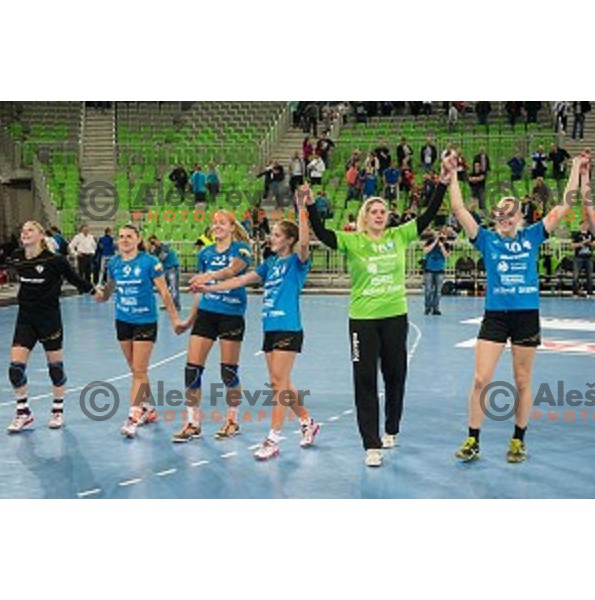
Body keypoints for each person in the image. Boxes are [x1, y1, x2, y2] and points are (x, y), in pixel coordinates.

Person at [305, 156, 455, 467]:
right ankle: (371, 444)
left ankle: (391, 427)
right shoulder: (352, 241)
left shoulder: (398, 236)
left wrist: (441, 182)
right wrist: (308, 206)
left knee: (395, 375)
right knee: (364, 379)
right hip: (362, 320)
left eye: (383, 211)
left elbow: (428, 216)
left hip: (394, 316)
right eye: (373, 211)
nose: (379, 215)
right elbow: (322, 233)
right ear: (364, 216)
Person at [451, 151, 589, 463]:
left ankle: (518, 440)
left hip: (526, 316)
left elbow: (565, 204)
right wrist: (454, 175)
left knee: (523, 381)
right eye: (499, 212)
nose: (504, 216)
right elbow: (459, 208)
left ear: (519, 216)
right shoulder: (486, 239)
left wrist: (578, 170)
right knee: (480, 379)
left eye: (510, 212)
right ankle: (473, 439)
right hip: (495, 318)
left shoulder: (532, 235)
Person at [192, 189, 319, 460]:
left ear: (288, 240)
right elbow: (238, 280)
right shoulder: (269, 264)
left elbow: (305, 241)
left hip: (288, 327)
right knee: (279, 383)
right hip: (269, 328)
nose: (270, 238)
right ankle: (307, 422)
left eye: (275, 235)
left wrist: (301, 208)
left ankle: (273, 439)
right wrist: (207, 286)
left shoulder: (297, 262)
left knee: (278, 382)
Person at [6, 221, 96, 433]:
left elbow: (75, 279)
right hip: (26, 320)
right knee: (15, 370)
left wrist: (94, 291)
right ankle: (23, 413)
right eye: (23, 230)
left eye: (30, 230)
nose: (24, 232)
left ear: (40, 236)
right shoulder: (17, 257)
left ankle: (57, 410)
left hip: (49, 320)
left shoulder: (55, 260)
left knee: (55, 370)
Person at [171, 210, 252, 442]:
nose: (217, 226)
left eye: (222, 223)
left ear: (231, 227)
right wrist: (189, 320)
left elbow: (232, 271)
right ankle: (192, 423)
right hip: (207, 314)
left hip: (231, 315)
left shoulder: (241, 250)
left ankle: (232, 421)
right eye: (215, 223)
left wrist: (209, 277)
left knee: (228, 372)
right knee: (192, 370)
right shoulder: (205, 253)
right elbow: (199, 292)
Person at [96, 224, 180, 438]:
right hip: (123, 320)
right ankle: (149, 409)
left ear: (137, 239)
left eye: (129, 237)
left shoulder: (150, 262)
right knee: (136, 369)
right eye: (121, 237)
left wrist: (175, 320)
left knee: (139, 371)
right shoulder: (114, 263)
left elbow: (164, 292)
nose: (124, 240)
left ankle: (133, 415)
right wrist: (100, 294)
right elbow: (108, 290)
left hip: (145, 321)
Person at [423, 226, 451, 315]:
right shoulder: (430, 241)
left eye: (444, 234)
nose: (442, 235)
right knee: (428, 290)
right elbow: (425, 251)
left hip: (440, 270)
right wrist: (435, 242)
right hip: (429, 269)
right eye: (440, 234)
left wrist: (441, 246)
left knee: (438, 291)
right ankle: (428, 307)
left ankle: (436, 308)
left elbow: (446, 255)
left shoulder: (447, 245)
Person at [148, 235, 181, 311]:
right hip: (164, 269)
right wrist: (152, 251)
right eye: (151, 243)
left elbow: (162, 258)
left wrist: (153, 252)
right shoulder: (155, 250)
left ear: (157, 240)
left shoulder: (165, 246)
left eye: (154, 242)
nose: (153, 244)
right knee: (163, 288)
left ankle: (176, 305)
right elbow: (153, 260)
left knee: (174, 288)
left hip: (172, 268)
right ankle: (168, 304)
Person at [571, 220, 593, 297]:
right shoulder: (576, 234)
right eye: (583, 225)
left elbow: (593, 244)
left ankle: (590, 293)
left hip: (588, 258)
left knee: (589, 276)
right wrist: (582, 243)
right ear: (580, 226)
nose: (585, 226)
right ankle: (575, 292)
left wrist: (589, 243)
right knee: (575, 276)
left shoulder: (590, 234)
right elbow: (572, 245)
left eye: (586, 224)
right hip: (578, 258)